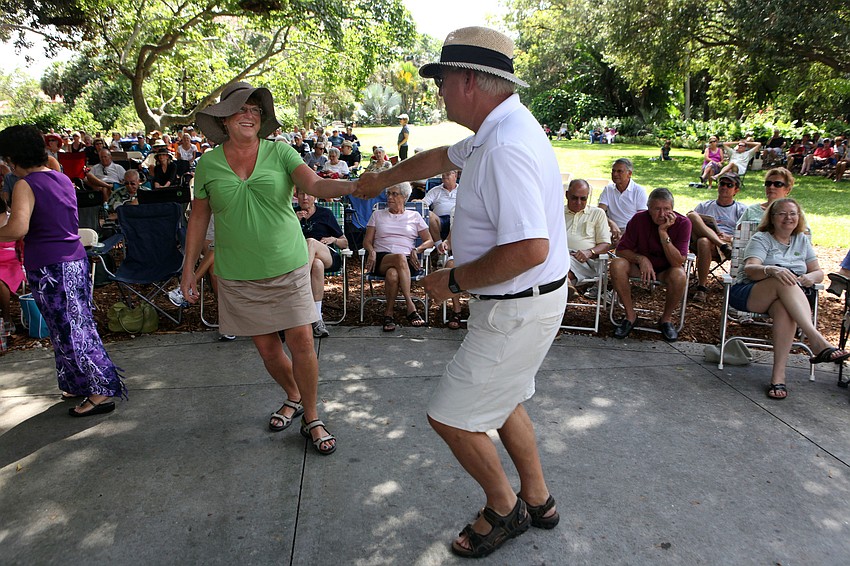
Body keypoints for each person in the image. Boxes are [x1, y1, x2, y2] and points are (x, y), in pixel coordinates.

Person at [356, 26, 567, 558]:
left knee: (450, 416)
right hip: (523, 304)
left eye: (442, 80)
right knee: (507, 398)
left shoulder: (506, 147)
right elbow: (437, 158)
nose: (439, 90)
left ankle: (503, 507)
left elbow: (528, 250)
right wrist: (376, 181)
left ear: (469, 81)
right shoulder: (499, 127)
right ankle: (538, 499)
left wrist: (449, 281)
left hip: (516, 306)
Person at [183, 81, 357, 455]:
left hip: (288, 264)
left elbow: (314, 184)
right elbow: (199, 219)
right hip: (237, 273)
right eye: (241, 108)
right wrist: (188, 268)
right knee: (267, 350)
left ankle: (311, 416)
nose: (249, 115)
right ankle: (292, 395)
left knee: (303, 342)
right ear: (224, 118)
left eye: (255, 111)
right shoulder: (207, 164)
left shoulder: (280, 153)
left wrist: (354, 185)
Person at [0, 124, 126, 415]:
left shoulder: (25, 184)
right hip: (72, 261)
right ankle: (79, 382)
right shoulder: (60, 178)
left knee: (72, 329)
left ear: (15, 157)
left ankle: (100, 391)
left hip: (50, 266)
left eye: (7, 158)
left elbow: (19, 227)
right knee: (67, 327)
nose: (6, 165)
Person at [729, 198, 849, 399]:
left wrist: (809, 277)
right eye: (782, 214)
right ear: (772, 218)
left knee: (784, 309)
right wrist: (772, 270)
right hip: (750, 292)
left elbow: (818, 272)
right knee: (783, 279)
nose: (788, 218)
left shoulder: (801, 239)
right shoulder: (761, 238)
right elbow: (750, 269)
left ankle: (778, 377)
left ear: (799, 217)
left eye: (793, 213)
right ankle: (816, 340)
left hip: (788, 298)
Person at [609, 187, 691, 342]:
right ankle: (630, 316)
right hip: (640, 268)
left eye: (666, 209)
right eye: (656, 209)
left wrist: (663, 233)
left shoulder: (683, 223)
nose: (661, 214)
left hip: (666, 269)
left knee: (680, 274)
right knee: (617, 264)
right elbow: (621, 250)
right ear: (648, 208)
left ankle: (666, 320)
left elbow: (677, 262)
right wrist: (641, 259)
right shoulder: (639, 219)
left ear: (672, 209)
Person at [362, 182, 431, 331]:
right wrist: (371, 251)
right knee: (399, 258)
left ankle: (389, 313)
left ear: (405, 197)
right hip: (382, 258)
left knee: (393, 275)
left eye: (394, 194)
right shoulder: (377, 214)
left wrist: (417, 249)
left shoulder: (414, 216)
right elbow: (367, 241)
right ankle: (410, 307)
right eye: (388, 194)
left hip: (407, 262)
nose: (390, 197)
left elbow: (429, 240)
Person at [686, 172, 748, 302]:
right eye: (722, 183)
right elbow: (689, 226)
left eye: (729, 185)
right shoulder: (704, 206)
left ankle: (701, 288)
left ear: (736, 190)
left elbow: (746, 236)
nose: (724, 187)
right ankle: (720, 245)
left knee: (704, 241)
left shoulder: (741, 210)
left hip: (728, 246)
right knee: (692, 215)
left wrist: (729, 238)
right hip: (714, 245)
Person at [294, 191, 348, 338]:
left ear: (315, 197)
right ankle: (317, 318)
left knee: (311, 242)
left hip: (328, 255)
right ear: (296, 197)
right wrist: (294, 222)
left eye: (309, 194)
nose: (305, 198)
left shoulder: (325, 213)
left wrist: (333, 239)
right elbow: (279, 240)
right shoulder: (291, 214)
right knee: (317, 265)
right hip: (301, 258)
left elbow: (345, 243)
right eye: (301, 194)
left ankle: (299, 281)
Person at [564, 178, 611, 297]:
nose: (578, 202)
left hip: (586, 261)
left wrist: (590, 252)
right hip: (560, 256)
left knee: (557, 269)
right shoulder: (557, 212)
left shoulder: (597, 213)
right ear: (567, 195)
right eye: (574, 198)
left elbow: (605, 244)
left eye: (583, 199)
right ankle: (567, 285)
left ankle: (565, 286)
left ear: (588, 197)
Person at [597, 158, 648, 244]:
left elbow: (642, 219)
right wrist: (611, 223)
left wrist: (627, 233)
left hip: (632, 230)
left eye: (619, 171)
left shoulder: (639, 191)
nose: (615, 174)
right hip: (610, 228)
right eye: (613, 171)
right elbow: (600, 212)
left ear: (629, 174)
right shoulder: (608, 189)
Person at [418, 169, 458, 251]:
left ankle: (448, 245)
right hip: (439, 221)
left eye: (448, 173)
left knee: (458, 214)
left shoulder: (463, 189)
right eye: (443, 174)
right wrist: (418, 202)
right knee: (429, 214)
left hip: (457, 220)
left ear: (456, 176)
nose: (444, 176)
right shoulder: (435, 190)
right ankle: (439, 247)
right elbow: (424, 203)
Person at [0, 197, 24, 333]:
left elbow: (23, 246)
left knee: (0, 281)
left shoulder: (13, 221)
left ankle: (6, 316)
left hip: (11, 263)